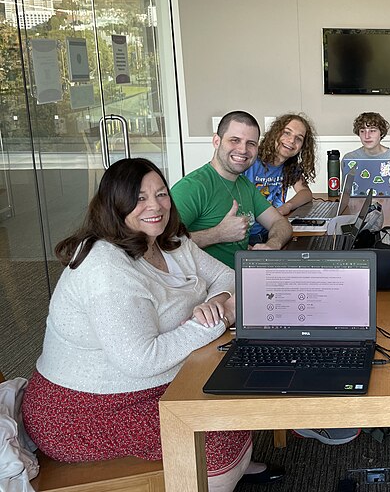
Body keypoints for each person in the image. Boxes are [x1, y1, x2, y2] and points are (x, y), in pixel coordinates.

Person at [21, 158, 284, 491]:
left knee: (232, 392)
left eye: (161, 194)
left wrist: (216, 303)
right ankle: (215, 474)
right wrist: (215, 321)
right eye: (140, 198)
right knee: (216, 425)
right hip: (82, 409)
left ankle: (227, 469)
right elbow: (140, 360)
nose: (155, 206)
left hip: (146, 383)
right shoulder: (104, 267)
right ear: (114, 205)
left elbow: (229, 277)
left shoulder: (169, 242)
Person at [171, 111, 293, 268]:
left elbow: (279, 222)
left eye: (251, 143)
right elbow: (161, 244)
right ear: (216, 141)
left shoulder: (245, 185)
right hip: (209, 289)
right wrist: (218, 234)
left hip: (242, 279)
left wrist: (273, 244)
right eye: (235, 140)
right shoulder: (193, 187)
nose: (243, 150)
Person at [244, 113, 317, 244]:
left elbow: (305, 193)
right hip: (247, 237)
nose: (291, 141)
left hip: (273, 233)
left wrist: (287, 206)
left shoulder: (290, 167)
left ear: (302, 147)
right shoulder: (251, 161)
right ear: (275, 134)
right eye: (286, 133)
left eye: (298, 139)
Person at [342, 112, 390, 191]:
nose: (367, 136)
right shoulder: (349, 158)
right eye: (362, 131)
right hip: (356, 203)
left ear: (381, 133)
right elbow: (345, 194)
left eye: (372, 131)